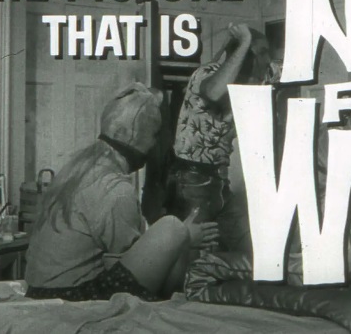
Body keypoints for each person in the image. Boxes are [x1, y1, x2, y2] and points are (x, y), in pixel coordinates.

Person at [25, 83, 218, 301]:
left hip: (39, 292)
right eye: (154, 135)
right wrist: (184, 238)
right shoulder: (115, 188)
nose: (155, 144)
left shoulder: (78, 168)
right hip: (71, 298)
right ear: (128, 135)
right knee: (173, 227)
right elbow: (135, 266)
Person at [168, 23, 280, 253]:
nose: (267, 60)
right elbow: (213, 92)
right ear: (242, 56)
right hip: (192, 179)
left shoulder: (254, 81)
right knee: (197, 252)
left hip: (219, 179)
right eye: (261, 53)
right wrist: (244, 42)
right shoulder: (207, 73)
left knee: (248, 246)